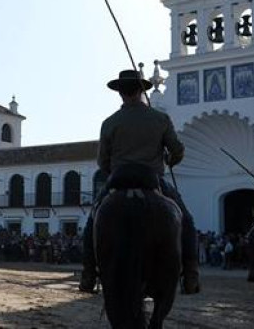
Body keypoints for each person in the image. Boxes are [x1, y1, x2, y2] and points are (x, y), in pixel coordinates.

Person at [79, 69, 201, 295]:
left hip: (119, 180)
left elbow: (102, 162)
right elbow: (177, 150)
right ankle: (191, 275)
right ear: (141, 90)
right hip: (152, 180)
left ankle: (88, 274)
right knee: (187, 222)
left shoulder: (109, 123)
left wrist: (114, 171)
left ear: (120, 93)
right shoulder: (160, 119)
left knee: (91, 224)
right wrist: (171, 160)